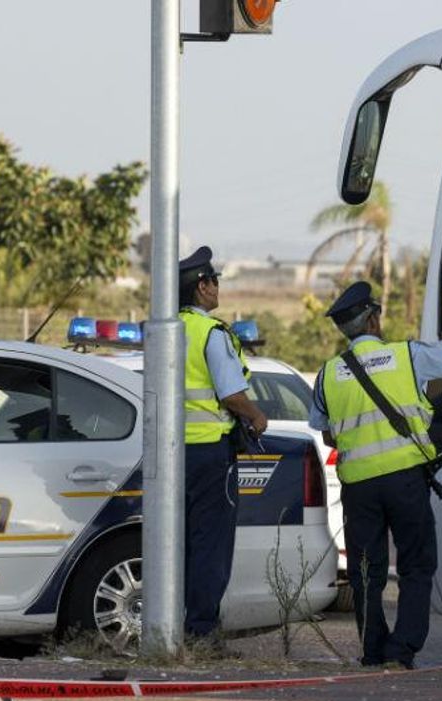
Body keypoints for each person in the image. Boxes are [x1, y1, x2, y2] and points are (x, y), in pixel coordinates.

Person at [308, 278, 442, 669]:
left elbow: (326, 429)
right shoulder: (406, 356)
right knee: (416, 565)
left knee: (367, 571)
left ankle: (372, 650)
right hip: (405, 480)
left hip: (358, 486)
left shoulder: (328, 374)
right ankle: (401, 651)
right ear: (375, 320)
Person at [177, 245, 268, 643]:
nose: (217, 288)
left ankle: (173, 626)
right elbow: (231, 393)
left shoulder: (167, 329)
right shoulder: (212, 333)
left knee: (175, 544)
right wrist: (255, 416)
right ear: (200, 288)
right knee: (210, 545)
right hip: (209, 453)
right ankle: (201, 632)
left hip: (171, 454)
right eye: (213, 281)